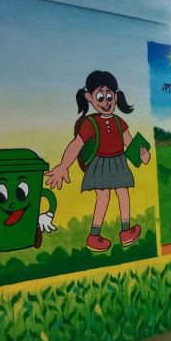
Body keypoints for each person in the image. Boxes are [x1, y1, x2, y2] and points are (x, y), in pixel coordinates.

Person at [45, 71, 150, 252]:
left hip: (119, 162)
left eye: (109, 97)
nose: (106, 102)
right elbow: (77, 144)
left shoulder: (119, 122)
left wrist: (143, 157)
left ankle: (126, 231)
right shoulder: (90, 124)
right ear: (89, 98)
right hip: (100, 164)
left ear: (115, 97)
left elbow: (130, 143)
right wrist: (63, 166)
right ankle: (94, 236)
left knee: (123, 194)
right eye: (100, 97)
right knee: (103, 197)